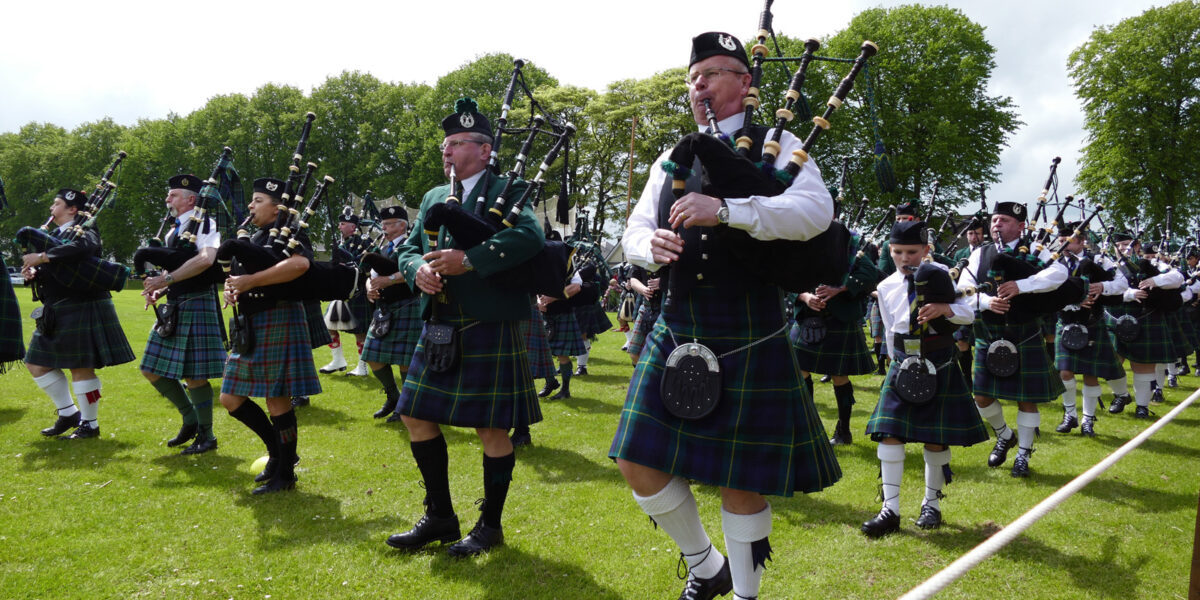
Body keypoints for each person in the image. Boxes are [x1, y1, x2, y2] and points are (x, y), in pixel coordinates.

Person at [610, 33, 841, 600]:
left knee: (742, 481)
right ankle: (704, 565)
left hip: (749, 327)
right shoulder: (674, 155)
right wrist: (651, 246)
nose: (701, 84)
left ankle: (745, 594)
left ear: (745, 83)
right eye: (695, 76)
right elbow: (633, 228)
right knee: (638, 461)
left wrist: (729, 211)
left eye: (714, 73)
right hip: (678, 324)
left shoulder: (778, 143)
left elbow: (814, 213)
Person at [385, 98, 543, 557]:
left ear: (484, 149)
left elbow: (528, 238)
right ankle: (440, 516)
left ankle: (489, 526)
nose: (447, 151)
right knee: (415, 414)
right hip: (438, 322)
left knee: (490, 429)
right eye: (445, 144)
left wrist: (468, 261)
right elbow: (410, 247)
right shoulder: (435, 196)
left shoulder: (509, 190)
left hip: (485, 322)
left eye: (456, 143)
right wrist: (416, 268)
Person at [861, 220, 987, 537]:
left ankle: (932, 503)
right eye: (898, 252)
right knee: (889, 432)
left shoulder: (945, 275)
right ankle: (890, 509)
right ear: (890, 252)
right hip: (903, 361)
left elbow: (969, 314)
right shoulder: (888, 286)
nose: (905, 258)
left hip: (939, 358)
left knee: (935, 437)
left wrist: (945, 308)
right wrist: (890, 360)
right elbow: (890, 327)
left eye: (912, 252)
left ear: (926, 250)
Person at [219, 177, 321, 494]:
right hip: (252, 323)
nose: (251, 205)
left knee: (277, 399)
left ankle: (285, 473)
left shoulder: (291, 231)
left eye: (258, 200)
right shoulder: (259, 236)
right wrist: (233, 287)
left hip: (279, 315)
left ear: (277, 207)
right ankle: (278, 453)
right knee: (230, 397)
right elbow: (241, 275)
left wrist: (250, 282)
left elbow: (300, 264)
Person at [956, 201, 1068, 478]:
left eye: (1003, 220)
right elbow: (962, 289)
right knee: (981, 397)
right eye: (994, 220)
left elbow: (1059, 274)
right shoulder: (979, 254)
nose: (996, 225)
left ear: (1020, 226)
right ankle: (1005, 435)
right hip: (989, 333)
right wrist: (985, 302)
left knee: (1026, 399)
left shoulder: (1036, 251)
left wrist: (1022, 285)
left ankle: (1023, 456)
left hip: (1024, 332)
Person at [22, 188, 135, 439]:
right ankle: (68, 413)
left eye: (57, 204)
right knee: (35, 363)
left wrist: (42, 257)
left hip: (83, 305)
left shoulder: (87, 230)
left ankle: (90, 424)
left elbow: (82, 249)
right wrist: (35, 272)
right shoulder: (54, 236)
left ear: (72, 209)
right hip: (56, 308)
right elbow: (59, 268)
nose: (52, 208)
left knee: (80, 367)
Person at [139, 174, 227, 454]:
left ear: (191, 199)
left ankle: (207, 435)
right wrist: (160, 290)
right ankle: (191, 420)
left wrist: (165, 281)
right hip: (177, 304)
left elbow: (205, 260)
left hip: (198, 302)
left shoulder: (206, 224)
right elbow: (174, 270)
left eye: (173, 195)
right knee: (150, 369)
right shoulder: (172, 231)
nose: (167, 199)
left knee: (194, 375)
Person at [790, 221, 884, 445]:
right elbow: (787, 278)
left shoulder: (847, 241)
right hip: (809, 318)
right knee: (800, 370)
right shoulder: (799, 238)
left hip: (839, 320)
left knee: (839, 375)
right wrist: (805, 297)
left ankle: (843, 431)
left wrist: (839, 288)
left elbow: (871, 274)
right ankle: (809, 427)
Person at [1052, 222, 1127, 436]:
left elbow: (1122, 283)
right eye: (1061, 242)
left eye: (1068, 241)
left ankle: (1088, 419)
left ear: (1082, 240)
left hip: (1092, 322)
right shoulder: (1055, 263)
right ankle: (1069, 415)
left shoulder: (1099, 260)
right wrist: (1073, 302)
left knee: (1090, 374)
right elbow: (1047, 293)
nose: (1064, 246)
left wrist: (1102, 287)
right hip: (1065, 321)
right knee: (1065, 372)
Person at [1106, 238, 1184, 418]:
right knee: (1109, 365)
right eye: (1121, 245)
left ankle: (1142, 406)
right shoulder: (1106, 264)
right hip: (1114, 319)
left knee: (1143, 367)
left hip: (1145, 318)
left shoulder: (1152, 264)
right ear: (1114, 247)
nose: (1124, 248)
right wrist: (1128, 294)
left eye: (1129, 245)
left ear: (1137, 247)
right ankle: (1122, 395)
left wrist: (1154, 280)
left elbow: (1177, 278)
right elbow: (1099, 289)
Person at [359, 206, 422, 419]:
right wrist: (370, 288)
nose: (383, 228)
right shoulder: (384, 248)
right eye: (383, 224)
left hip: (407, 305)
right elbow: (373, 274)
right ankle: (393, 396)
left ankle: (406, 405)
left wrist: (389, 280)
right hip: (384, 309)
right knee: (371, 356)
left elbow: (416, 269)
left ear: (402, 225)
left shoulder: (412, 245)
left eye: (388, 224)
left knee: (405, 361)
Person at [320, 209, 371, 377]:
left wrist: (348, 262)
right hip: (341, 293)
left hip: (358, 292)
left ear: (353, 226)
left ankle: (362, 367)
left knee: (359, 331)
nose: (339, 227)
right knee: (328, 326)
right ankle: (338, 360)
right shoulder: (341, 245)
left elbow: (365, 266)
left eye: (343, 224)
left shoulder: (365, 242)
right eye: (340, 224)